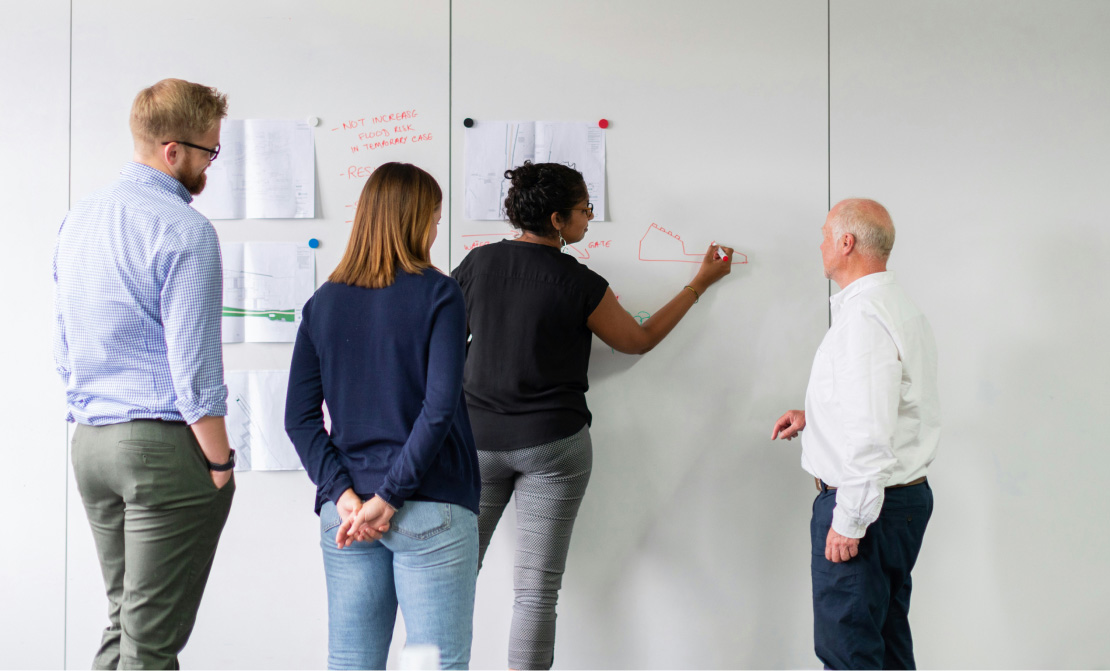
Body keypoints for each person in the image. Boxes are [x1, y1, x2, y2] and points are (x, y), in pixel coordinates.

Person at [451, 161, 733, 670]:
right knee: (536, 592)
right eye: (584, 210)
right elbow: (637, 341)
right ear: (557, 220)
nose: (590, 218)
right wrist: (699, 283)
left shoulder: (477, 264)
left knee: (452, 576)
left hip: (476, 442)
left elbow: (445, 338)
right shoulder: (580, 282)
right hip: (552, 445)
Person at [53, 78, 235, 669]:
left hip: (91, 445)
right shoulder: (185, 229)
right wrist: (221, 463)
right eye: (208, 151)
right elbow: (195, 368)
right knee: (151, 644)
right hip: (160, 450)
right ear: (172, 150)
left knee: (126, 622)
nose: (210, 164)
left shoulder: (78, 220)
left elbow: (63, 344)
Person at [284, 162, 481, 670]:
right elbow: (438, 409)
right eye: (435, 218)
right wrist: (389, 497)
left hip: (347, 514)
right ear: (416, 220)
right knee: (433, 663)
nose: (436, 230)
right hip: (429, 505)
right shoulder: (440, 293)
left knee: (352, 662)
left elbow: (299, 419)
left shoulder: (323, 303)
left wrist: (346, 496)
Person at [771, 198, 940, 670]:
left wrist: (850, 520)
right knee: (886, 644)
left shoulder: (864, 318)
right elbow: (890, 404)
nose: (820, 245)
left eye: (825, 235)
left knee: (849, 654)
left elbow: (870, 433)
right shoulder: (895, 307)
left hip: (867, 505)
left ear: (846, 243)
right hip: (899, 501)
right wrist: (815, 415)